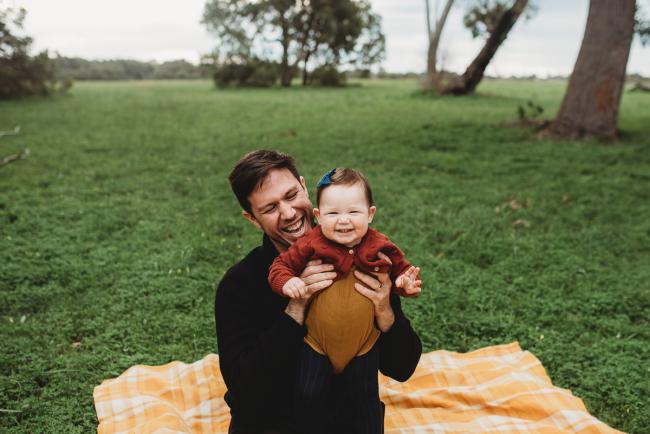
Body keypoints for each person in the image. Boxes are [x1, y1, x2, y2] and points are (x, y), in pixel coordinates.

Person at [215, 150, 422, 433]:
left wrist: (385, 311)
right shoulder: (240, 284)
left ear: (304, 187)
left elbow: (402, 367)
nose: (288, 213)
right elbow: (245, 386)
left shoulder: (363, 257)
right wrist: (295, 311)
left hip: (349, 420)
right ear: (252, 218)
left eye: (291, 196)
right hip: (271, 424)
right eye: (270, 208)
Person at [268, 167, 422, 434]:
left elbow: (402, 271)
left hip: (363, 345)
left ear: (370, 214)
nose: (343, 221)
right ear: (318, 215)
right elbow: (280, 266)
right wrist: (288, 282)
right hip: (316, 344)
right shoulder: (309, 244)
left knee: (364, 404)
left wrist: (404, 285)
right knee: (307, 394)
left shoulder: (380, 245)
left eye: (353, 212)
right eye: (333, 213)